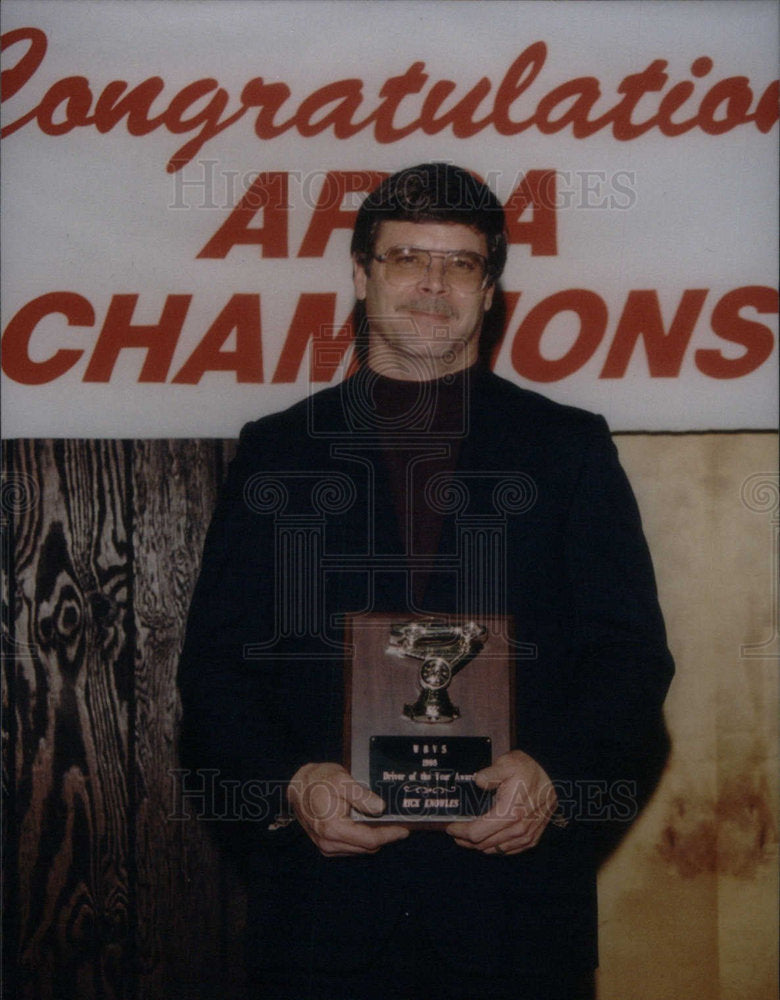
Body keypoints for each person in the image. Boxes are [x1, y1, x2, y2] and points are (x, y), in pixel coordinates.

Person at [178, 163, 674, 1000]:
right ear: (362, 276)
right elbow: (214, 670)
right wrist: (293, 785)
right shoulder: (278, 449)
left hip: (516, 920)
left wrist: (553, 778)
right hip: (320, 922)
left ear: (491, 291)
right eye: (408, 258)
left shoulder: (569, 448)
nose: (433, 284)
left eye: (461, 263)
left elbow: (630, 661)